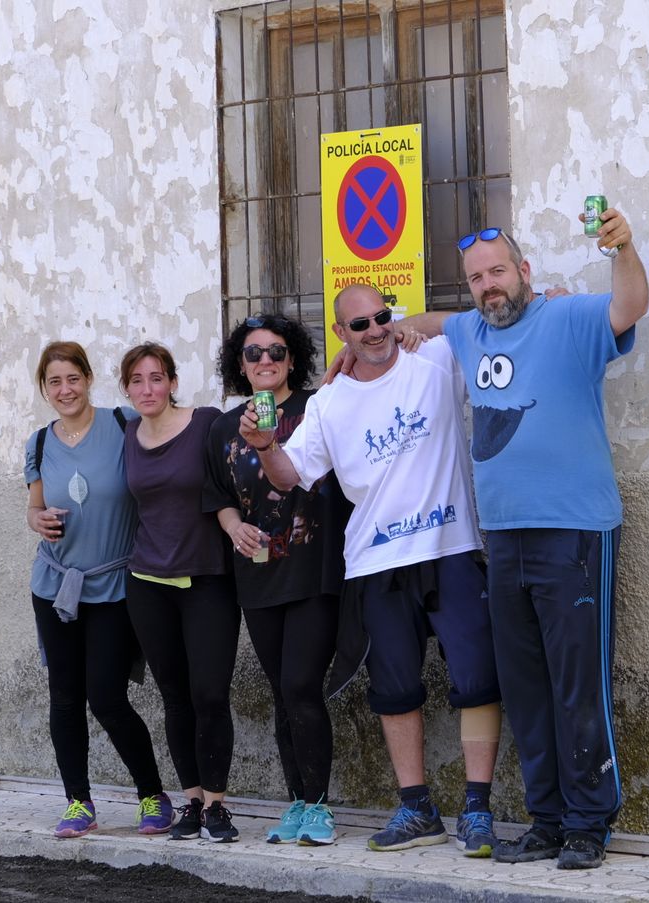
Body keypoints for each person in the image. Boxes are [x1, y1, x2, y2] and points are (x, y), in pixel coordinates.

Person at [402, 210, 649, 869]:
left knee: (578, 684)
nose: (489, 285)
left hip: (574, 532)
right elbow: (431, 324)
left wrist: (622, 245)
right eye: (477, 277)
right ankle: (546, 819)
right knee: (526, 686)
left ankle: (589, 823)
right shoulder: (468, 329)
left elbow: (631, 303)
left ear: (524, 272)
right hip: (503, 539)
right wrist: (388, 331)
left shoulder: (567, 320)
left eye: (498, 271)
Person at [239, 284, 503, 859]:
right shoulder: (329, 403)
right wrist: (263, 447)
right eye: (360, 325)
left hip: (451, 547)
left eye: (383, 317)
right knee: (394, 691)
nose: (376, 330)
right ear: (340, 335)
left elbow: (474, 319)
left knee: (479, 679)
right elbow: (290, 476)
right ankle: (417, 808)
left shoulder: (433, 361)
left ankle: (477, 808)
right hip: (377, 561)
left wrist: (415, 323)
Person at [203, 314, 350, 845]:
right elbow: (216, 496)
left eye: (276, 352)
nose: (265, 361)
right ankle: (297, 803)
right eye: (253, 353)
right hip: (258, 577)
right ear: (239, 365)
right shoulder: (223, 426)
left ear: (293, 360)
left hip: (315, 571)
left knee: (300, 686)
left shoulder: (319, 406)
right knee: (281, 694)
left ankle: (320, 807)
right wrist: (233, 524)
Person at [23, 340, 172, 839]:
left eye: (73, 378)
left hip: (113, 585)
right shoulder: (39, 443)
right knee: (64, 698)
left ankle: (152, 795)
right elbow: (33, 508)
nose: (65, 389)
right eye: (54, 382)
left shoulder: (124, 423)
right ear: (45, 390)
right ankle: (78, 802)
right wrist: (37, 519)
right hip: (54, 587)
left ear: (88, 379)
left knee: (106, 697)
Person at [119, 342, 242, 843]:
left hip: (208, 579)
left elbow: (236, 483)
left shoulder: (208, 422)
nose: (147, 389)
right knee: (175, 697)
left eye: (156, 378)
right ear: (126, 388)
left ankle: (217, 805)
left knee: (210, 694)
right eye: (136, 381)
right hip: (147, 583)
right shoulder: (126, 433)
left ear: (171, 381)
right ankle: (191, 801)